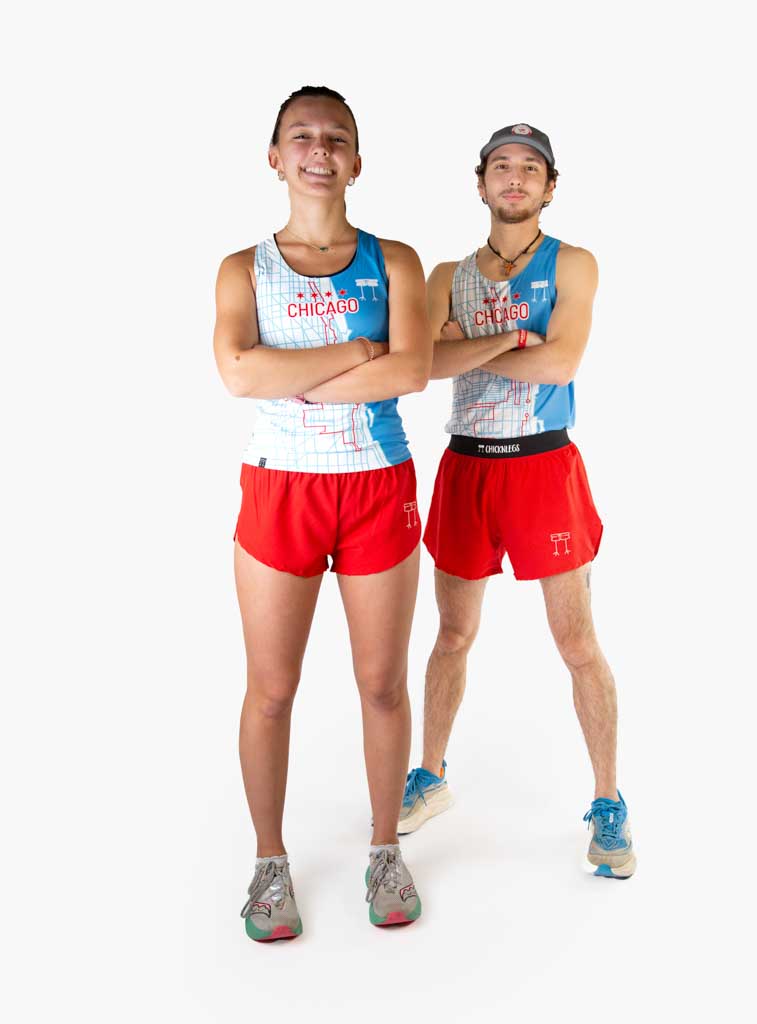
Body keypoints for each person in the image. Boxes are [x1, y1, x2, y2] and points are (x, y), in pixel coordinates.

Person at [213, 86, 432, 939]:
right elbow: (237, 375)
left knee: (381, 684)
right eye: (301, 135)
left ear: (356, 160)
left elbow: (410, 374)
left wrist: (288, 367)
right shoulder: (243, 268)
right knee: (271, 691)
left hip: (376, 482)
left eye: (336, 137)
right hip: (280, 487)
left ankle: (385, 849)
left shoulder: (397, 260)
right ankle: (270, 864)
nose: (319, 148)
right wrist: (352, 352)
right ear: (275, 157)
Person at [400, 123, 636, 879]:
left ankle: (607, 801)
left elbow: (564, 357)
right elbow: (423, 365)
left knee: (576, 644)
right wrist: (512, 343)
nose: (514, 178)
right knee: (451, 636)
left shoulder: (574, 263)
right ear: (479, 183)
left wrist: (472, 344)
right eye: (500, 166)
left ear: (549, 186)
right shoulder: (444, 274)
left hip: (543, 467)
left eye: (528, 168)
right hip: (467, 465)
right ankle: (430, 775)